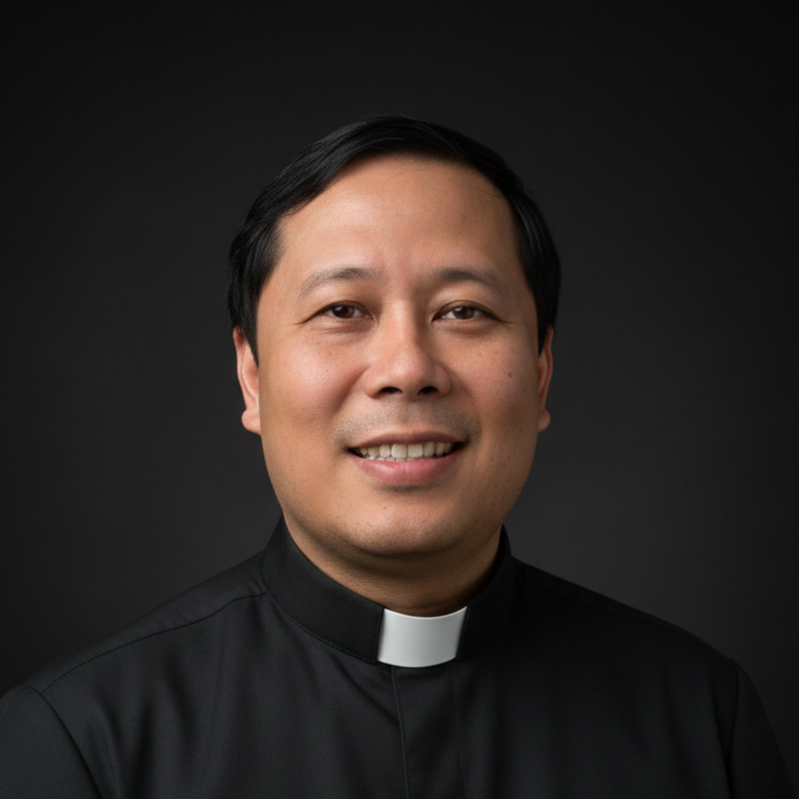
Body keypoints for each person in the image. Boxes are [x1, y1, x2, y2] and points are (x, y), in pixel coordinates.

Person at [0, 116, 794, 798]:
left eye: (464, 310)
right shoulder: (79, 742)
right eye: (342, 309)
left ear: (542, 370)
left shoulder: (699, 718)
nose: (407, 366)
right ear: (251, 373)